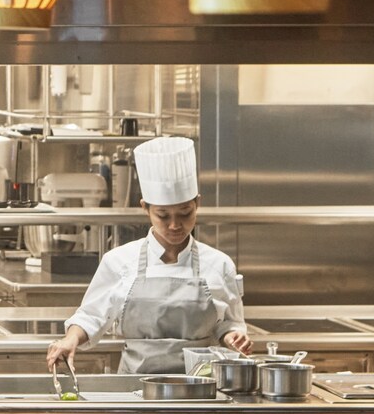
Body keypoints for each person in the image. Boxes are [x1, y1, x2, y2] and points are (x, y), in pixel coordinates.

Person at [45, 134, 249, 375]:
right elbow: (92, 315)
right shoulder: (119, 261)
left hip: (202, 388)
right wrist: (70, 339)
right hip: (134, 388)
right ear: (145, 208)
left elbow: (229, 323)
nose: (175, 225)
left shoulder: (219, 264)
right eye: (163, 215)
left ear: (197, 204)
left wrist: (233, 337)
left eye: (185, 213)